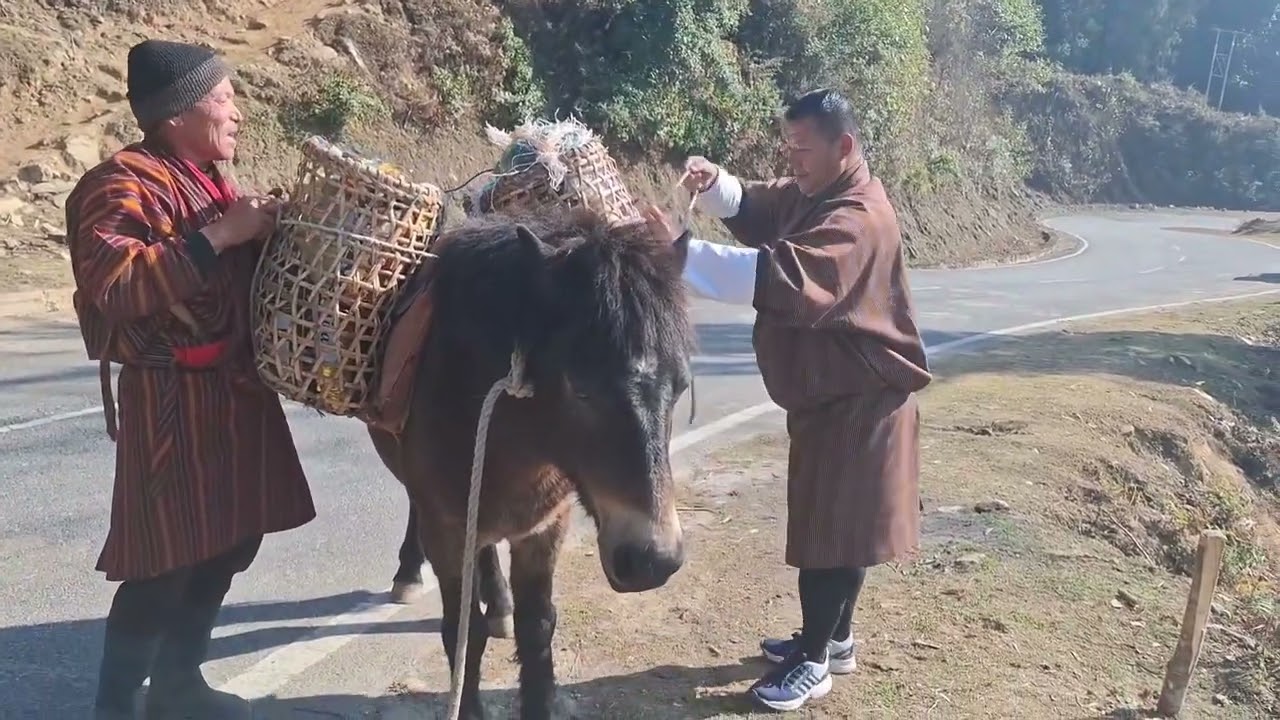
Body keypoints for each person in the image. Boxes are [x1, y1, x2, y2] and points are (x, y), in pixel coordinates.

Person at [643, 87, 932, 712]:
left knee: (832, 532)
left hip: (862, 399)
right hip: (837, 396)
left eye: (804, 149)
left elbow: (777, 275)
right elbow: (761, 203)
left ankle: (815, 660)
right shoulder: (818, 191)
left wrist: (678, 252)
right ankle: (835, 636)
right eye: (789, 148)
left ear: (843, 147)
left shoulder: (858, 219)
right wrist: (717, 184)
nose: (793, 161)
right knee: (837, 524)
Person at [66, 39, 317, 719]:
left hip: (234, 392)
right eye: (225, 98)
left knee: (235, 538)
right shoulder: (121, 182)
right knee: (166, 558)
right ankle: (116, 704)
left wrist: (262, 229)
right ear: (179, 112)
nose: (238, 113)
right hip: (172, 400)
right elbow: (114, 284)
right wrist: (222, 237)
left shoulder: (209, 179)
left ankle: (178, 683)